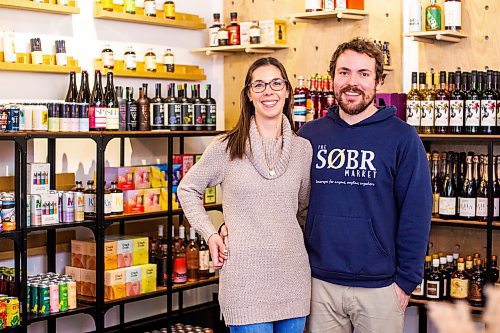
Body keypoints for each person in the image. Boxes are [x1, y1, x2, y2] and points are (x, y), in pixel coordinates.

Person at [298, 37, 432, 333]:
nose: (352, 82)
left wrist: (406, 282)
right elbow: (289, 201)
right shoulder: (309, 136)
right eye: (344, 72)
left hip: (381, 288)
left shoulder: (403, 138)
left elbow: (416, 213)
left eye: (363, 74)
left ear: (378, 81)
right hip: (319, 284)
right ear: (332, 77)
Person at [177, 57, 312, 333]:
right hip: (245, 282)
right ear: (249, 95)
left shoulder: (303, 150)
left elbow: (304, 211)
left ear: (287, 91)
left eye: (276, 83)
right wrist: (212, 233)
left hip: (293, 279)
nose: (268, 92)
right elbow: (187, 189)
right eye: (259, 85)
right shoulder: (226, 147)